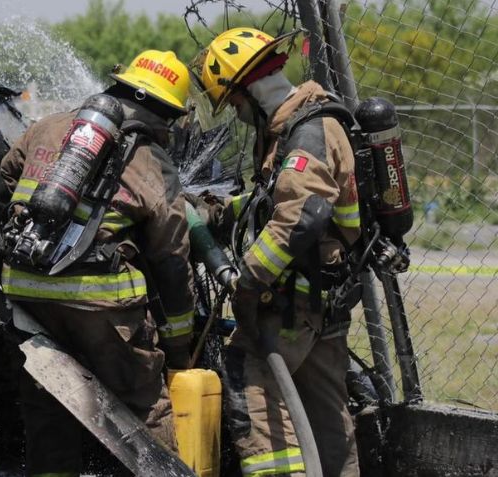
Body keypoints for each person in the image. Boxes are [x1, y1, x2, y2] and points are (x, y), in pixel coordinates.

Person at [0, 50, 196, 476]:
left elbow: (8, 173)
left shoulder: (47, 126)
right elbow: (172, 257)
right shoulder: (151, 161)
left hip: (25, 293)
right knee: (144, 406)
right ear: (163, 112)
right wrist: (179, 347)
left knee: (49, 409)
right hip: (98, 304)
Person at [197, 28, 361, 476]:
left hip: (293, 301)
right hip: (321, 295)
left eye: (232, 102)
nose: (235, 112)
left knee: (251, 385)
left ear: (248, 90)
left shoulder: (306, 132)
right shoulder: (293, 126)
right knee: (324, 409)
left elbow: (299, 218)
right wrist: (218, 213)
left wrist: (247, 282)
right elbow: (275, 200)